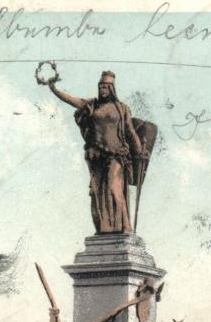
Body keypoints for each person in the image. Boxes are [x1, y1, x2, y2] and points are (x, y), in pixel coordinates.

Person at [47, 70, 147, 233]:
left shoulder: (122, 109)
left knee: (115, 187)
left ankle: (125, 225)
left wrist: (139, 150)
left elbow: (130, 131)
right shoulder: (92, 105)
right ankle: (105, 227)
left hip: (117, 154)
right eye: (100, 86)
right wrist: (54, 89)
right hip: (96, 155)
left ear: (112, 88)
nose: (102, 89)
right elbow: (71, 100)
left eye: (105, 87)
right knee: (97, 192)